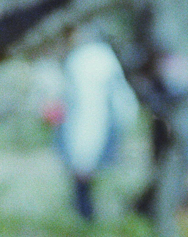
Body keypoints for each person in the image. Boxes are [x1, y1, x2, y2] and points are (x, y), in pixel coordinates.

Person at [56, 27, 139, 220]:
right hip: (84, 119)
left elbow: (115, 89)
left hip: (94, 118)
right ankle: (84, 213)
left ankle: (87, 214)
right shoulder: (86, 57)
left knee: (87, 166)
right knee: (82, 167)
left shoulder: (92, 57)